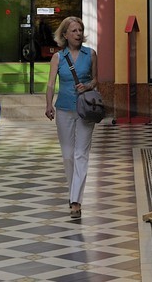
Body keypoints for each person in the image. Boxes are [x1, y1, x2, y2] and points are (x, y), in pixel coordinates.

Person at [43, 14, 99, 220]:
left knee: (81, 154)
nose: (78, 34)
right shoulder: (58, 58)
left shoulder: (90, 54)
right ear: (65, 34)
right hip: (64, 109)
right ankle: (73, 193)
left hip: (86, 109)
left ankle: (75, 201)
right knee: (68, 155)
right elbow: (51, 84)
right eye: (74, 30)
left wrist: (89, 85)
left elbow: (96, 79)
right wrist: (48, 104)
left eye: (80, 30)